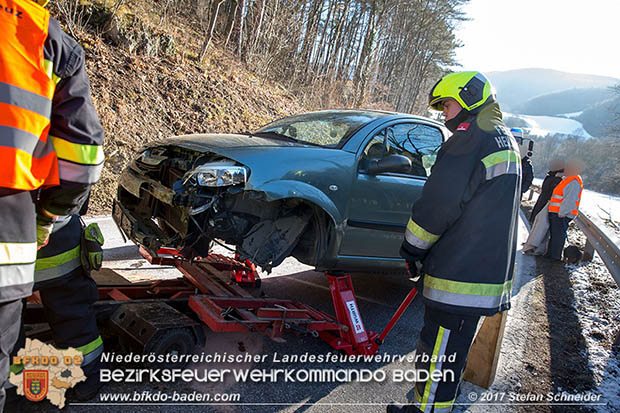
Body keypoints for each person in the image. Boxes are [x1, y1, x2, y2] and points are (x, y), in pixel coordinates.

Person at [389, 71, 521, 413]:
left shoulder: (471, 140)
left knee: (439, 356)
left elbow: (438, 206)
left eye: (446, 105)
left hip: (460, 275)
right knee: (449, 356)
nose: (444, 114)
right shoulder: (503, 139)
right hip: (481, 273)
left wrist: (412, 249)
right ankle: (428, 406)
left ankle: (427, 411)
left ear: (467, 99)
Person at [0, 0, 104, 408]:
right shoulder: (41, 35)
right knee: (72, 305)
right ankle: (84, 381)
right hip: (18, 218)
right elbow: (82, 153)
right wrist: (49, 215)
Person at [545, 159, 584, 262]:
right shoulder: (568, 179)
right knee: (554, 235)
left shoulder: (574, 182)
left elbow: (570, 200)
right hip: (556, 213)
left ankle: (555, 257)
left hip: (561, 214)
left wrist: (562, 213)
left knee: (558, 236)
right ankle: (550, 254)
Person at [511, 128, 533, 196]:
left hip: (516, 194)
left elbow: (529, 178)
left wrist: (521, 190)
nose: (516, 143)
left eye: (517, 140)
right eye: (513, 139)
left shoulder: (526, 163)